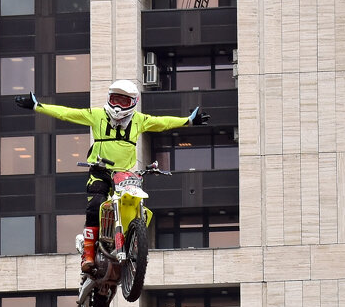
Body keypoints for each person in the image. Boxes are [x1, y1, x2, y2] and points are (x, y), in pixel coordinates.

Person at [15, 79, 209, 273]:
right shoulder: (97, 115)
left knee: (133, 203)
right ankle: (88, 255)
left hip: (124, 174)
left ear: (133, 102)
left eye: (123, 101)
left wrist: (188, 120)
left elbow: (162, 122)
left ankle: (132, 241)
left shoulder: (139, 120)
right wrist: (37, 106)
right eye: (114, 99)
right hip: (100, 171)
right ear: (108, 98)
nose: (117, 106)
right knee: (94, 206)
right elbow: (67, 113)